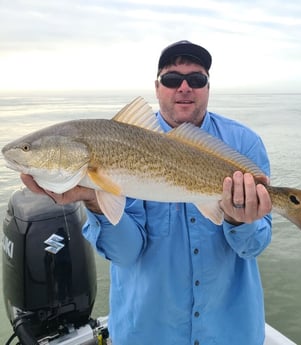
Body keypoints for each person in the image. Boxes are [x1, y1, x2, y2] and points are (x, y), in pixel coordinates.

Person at [22, 40, 272, 345]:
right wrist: (93, 199)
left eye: (196, 79)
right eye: (171, 79)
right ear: (157, 87)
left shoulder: (243, 143)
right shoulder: (119, 143)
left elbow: (254, 246)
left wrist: (238, 220)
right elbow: (125, 253)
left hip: (231, 333)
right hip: (147, 333)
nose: (184, 87)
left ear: (208, 87)